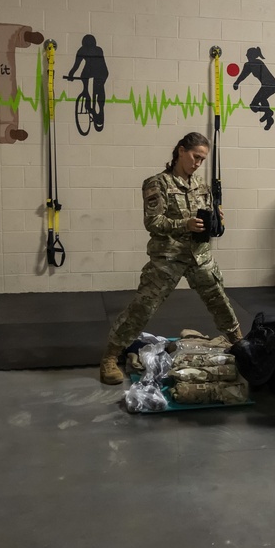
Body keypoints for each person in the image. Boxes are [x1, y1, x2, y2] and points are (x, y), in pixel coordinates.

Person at [99, 132, 242, 385]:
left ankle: (240, 344)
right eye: (195, 157)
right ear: (180, 151)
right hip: (168, 257)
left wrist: (216, 220)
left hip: (199, 256)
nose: (198, 163)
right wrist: (184, 224)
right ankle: (110, 356)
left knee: (220, 301)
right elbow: (153, 222)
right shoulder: (157, 184)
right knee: (142, 307)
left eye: (202, 159)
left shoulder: (202, 186)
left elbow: (207, 222)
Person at [65, 34, 109, 128]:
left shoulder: (85, 50)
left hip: (99, 71)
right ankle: (89, 97)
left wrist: (71, 75)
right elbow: (76, 65)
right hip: (96, 71)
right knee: (89, 81)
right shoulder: (95, 49)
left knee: (97, 87)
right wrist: (71, 74)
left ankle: (97, 107)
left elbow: (76, 66)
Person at [232, 47, 275, 131]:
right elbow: (243, 75)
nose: (246, 55)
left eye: (248, 54)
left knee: (254, 105)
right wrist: (237, 82)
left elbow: (243, 75)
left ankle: (268, 112)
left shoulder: (256, 63)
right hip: (267, 86)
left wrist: (237, 83)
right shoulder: (250, 64)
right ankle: (269, 118)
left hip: (271, 85)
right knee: (262, 100)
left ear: (251, 55)